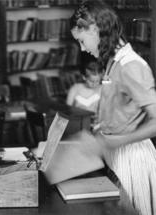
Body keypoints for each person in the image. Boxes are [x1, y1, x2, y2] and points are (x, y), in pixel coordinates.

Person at [70, 1, 156, 215]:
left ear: (96, 29)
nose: (83, 49)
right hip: (117, 159)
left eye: (82, 41)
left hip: (132, 161)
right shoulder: (113, 62)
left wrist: (115, 140)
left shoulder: (130, 65)